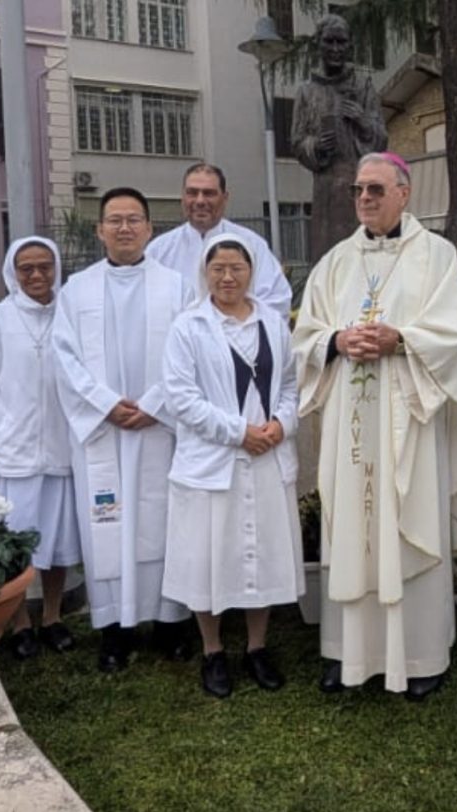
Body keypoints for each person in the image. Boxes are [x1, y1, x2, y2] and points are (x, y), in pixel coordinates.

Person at [293, 152, 457, 701]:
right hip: (352, 422)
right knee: (350, 524)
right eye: (358, 189)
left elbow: (453, 334)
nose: (365, 198)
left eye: (376, 189)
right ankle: (346, 652)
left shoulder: (437, 256)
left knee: (409, 517)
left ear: (404, 193)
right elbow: (305, 334)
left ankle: (421, 654)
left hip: (409, 416)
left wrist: (400, 338)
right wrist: (336, 341)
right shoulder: (335, 261)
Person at [53, 187, 195, 673]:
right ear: (100, 230)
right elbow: (65, 360)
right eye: (115, 220)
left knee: (163, 522)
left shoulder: (178, 287)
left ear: (150, 229)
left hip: (159, 430)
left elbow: (190, 354)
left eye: (134, 219)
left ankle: (171, 624)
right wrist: (106, 404)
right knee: (107, 524)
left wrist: (156, 404)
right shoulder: (76, 290)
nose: (125, 228)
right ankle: (114, 630)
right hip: (104, 432)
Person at [162, 234, 303, 698]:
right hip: (213, 463)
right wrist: (239, 432)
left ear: (251, 273)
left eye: (236, 268)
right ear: (205, 274)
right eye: (218, 269)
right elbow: (181, 398)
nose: (227, 277)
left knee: (263, 554)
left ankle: (257, 647)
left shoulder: (273, 324)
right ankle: (213, 650)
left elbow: (290, 384)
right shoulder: (188, 327)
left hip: (267, 457)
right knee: (209, 559)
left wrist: (281, 425)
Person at [0, 236, 81, 660]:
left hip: (62, 449)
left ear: (57, 268)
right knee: (12, 544)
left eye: (45, 266)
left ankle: (52, 616)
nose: (36, 275)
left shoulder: (71, 315)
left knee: (57, 541)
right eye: (26, 268)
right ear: (12, 272)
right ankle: (19, 623)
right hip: (11, 450)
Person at [291, 14, 388, 262]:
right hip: (325, 189)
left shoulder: (363, 86)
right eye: (329, 41)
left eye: (341, 42)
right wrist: (316, 146)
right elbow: (297, 140)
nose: (335, 49)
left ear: (349, 45)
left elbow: (382, 140)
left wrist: (362, 120)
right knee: (327, 257)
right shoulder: (307, 91)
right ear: (318, 44)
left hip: (359, 189)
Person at [146, 163, 292, 318]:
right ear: (183, 197)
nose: (200, 201)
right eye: (192, 193)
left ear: (225, 197)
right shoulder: (159, 250)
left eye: (209, 193)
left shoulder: (253, 245)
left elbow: (276, 301)